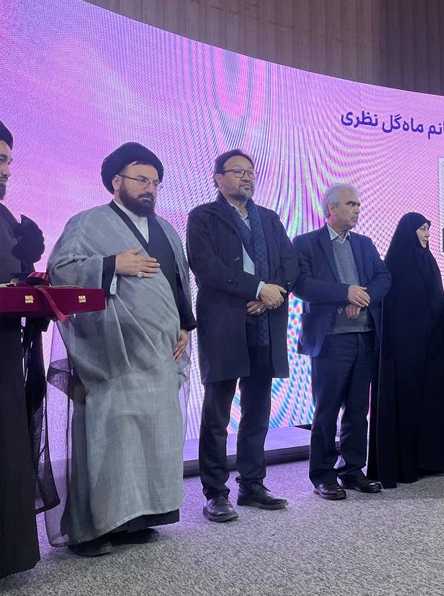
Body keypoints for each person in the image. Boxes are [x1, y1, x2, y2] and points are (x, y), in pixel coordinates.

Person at [45, 142, 195, 556]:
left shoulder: (166, 230)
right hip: (112, 356)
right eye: (141, 179)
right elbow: (60, 270)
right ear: (116, 181)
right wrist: (113, 264)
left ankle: (137, 520)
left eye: (155, 183)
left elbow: (180, 282)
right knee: (109, 440)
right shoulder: (88, 222)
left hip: (159, 355)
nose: (150, 188)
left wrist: (186, 326)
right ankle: (91, 531)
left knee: (152, 439)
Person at [186, 149, 299, 522]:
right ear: (218, 178)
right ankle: (215, 493)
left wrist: (271, 294)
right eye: (237, 171)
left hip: (265, 322)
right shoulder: (203, 216)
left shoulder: (269, 218)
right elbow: (206, 268)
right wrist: (257, 289)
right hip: (225, 323)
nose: (246, 177)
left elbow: (290, 264)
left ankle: (252, 484)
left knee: (257, 411)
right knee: (217, 414)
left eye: (250, 171)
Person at [293, 183, 391, 500]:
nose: (357, 209)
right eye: (351, 204)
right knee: (327, 410)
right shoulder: (306, 243)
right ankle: (323, 475)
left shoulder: (364, 244)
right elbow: (301, 284)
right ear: (331, 208)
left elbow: (383, 278)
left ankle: (352, 470)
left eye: (358, 204)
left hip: (364, 335)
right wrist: (344, 293)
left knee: (358, 410)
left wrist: (362, 298)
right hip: (330, 340)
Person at [0, 119, 57, 579]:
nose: (6, 170)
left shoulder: (5, 217)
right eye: (0, 160)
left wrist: (28, 278)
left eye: (8, 162)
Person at [368, 213, 444, 488]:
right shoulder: (396, 263)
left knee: (429, 402)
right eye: (422, 229)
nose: (427, 234)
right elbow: (395, 309)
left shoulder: (428, 260)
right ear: (409, 232)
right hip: (404, 348)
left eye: (428, 229)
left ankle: (428, 460)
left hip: (431, 346)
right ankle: (404, 465)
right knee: (407, 402)